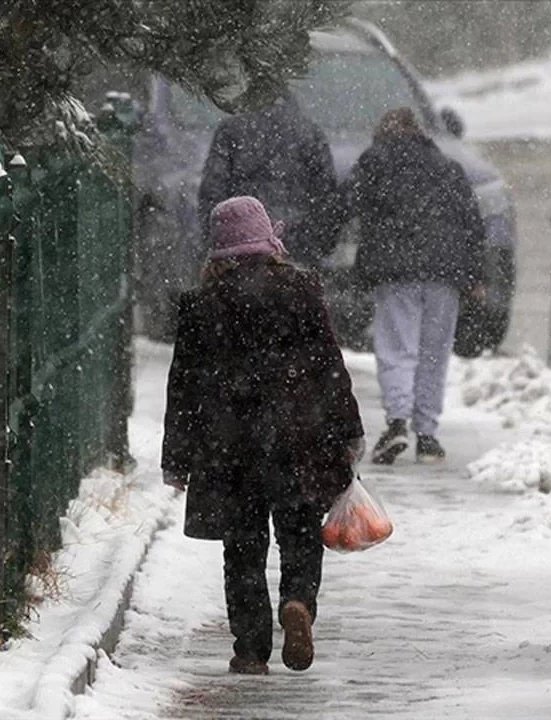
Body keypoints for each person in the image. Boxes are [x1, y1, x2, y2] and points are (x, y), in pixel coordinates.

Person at [162, 196, 365, 675]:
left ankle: (250, 649)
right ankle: (297, 601)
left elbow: (183, 386)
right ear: (268, 240)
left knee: (243, 546)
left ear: (218, 247)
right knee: (299, 532)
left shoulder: (200, 305)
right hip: (298, 437)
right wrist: (348, 429)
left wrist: (177, 455)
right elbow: (328, 366)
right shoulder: (300, 290)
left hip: (229, 446)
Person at [343, 107, 487, 465]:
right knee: (434, 353)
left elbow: (343, 205)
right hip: (445, 271)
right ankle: (427, 435)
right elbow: (472, 223)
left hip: (396, 271)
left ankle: (396, 423)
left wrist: (315, 244)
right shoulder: (447, 167)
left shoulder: (375, 161)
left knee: (397, 348)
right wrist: (475, 275)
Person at [198, 83, 339, 266]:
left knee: (245, 291)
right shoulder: (310, 132)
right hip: (297, 240)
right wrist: (320, 242)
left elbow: (213, 189)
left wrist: (215, 239)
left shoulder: (231, 130)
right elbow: (326, 193)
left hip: (243, 241)